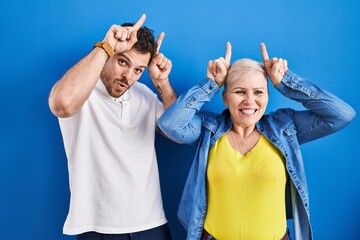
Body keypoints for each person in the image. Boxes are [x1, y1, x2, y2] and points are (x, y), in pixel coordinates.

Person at [157, 42, 355, 240]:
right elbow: (171, 124)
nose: (249, 101)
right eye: (240, 92)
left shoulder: (284, 128)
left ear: (268, 96)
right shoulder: (209, 130)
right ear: (225, 98)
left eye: (258, 92)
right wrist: (211, 84)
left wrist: (287, 82)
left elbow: (341, 115)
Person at [48, 14, 176, 240]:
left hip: (151, 224)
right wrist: (107, 46)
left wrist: (162, 84)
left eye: (138, 70)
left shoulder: (144, 95)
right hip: (96, 228)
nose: (128, 77)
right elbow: (62, 104)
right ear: (110, 54)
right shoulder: (82, 91)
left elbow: (177, 132)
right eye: (123, 61)